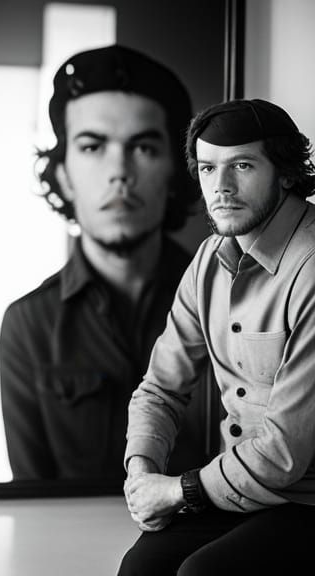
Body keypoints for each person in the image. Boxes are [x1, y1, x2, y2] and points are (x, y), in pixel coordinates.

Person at [118, 98, 315, 576]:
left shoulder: (310, 268)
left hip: (307, 497)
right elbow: (161, 388)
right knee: (141, 567)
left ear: (286, 173)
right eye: (208, 168)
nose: (221, 187)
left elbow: (284, 452)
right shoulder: (209, 258)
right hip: (238, 490)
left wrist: (177, 491)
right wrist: (141, 472)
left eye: (242, 166)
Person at [0, 44, 214, 482]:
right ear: (64, 174)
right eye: (93, 146)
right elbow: (33, 500)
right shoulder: (28, 326)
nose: (119, 172)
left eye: (144, 147)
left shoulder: (231, 303)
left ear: (176, 172)